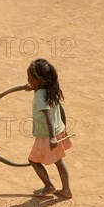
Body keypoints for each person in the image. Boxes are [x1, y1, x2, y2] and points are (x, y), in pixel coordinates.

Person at [25, 58, 72, 198]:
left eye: (30, 78)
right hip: (59, 130)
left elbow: (48, 114)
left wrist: (51, 137)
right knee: (59, 161)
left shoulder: (40, 95)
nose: (28, 80)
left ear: (39, 80)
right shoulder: (50, 89)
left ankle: (49, 186)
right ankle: (66, 190)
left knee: (33, 161)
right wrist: (33, 88)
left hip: (47, 135)